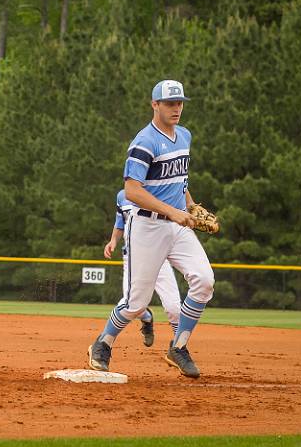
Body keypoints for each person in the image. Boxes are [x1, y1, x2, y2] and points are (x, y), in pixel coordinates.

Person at [88, 80, 214, 378]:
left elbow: (179, 181)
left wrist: (192, 206)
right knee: (135, 303)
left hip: (178, 227)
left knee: (205, 281)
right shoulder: (144, 142)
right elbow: (132, 191)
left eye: (180, 102)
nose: (177, 108)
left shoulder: (184, 135)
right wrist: (173, 212)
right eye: (170, 103)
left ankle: (178, 347)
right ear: (154, 104)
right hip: (147, 227)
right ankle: (103, 343)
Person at [103, 189, 182, 348]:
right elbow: (120, 222)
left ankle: (180, 347)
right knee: (130, 304)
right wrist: (113, 241)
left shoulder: (160, 193)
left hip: (158, 255)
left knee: (174, 307)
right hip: (133, 257)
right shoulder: (121, 196)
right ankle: (146, 317)